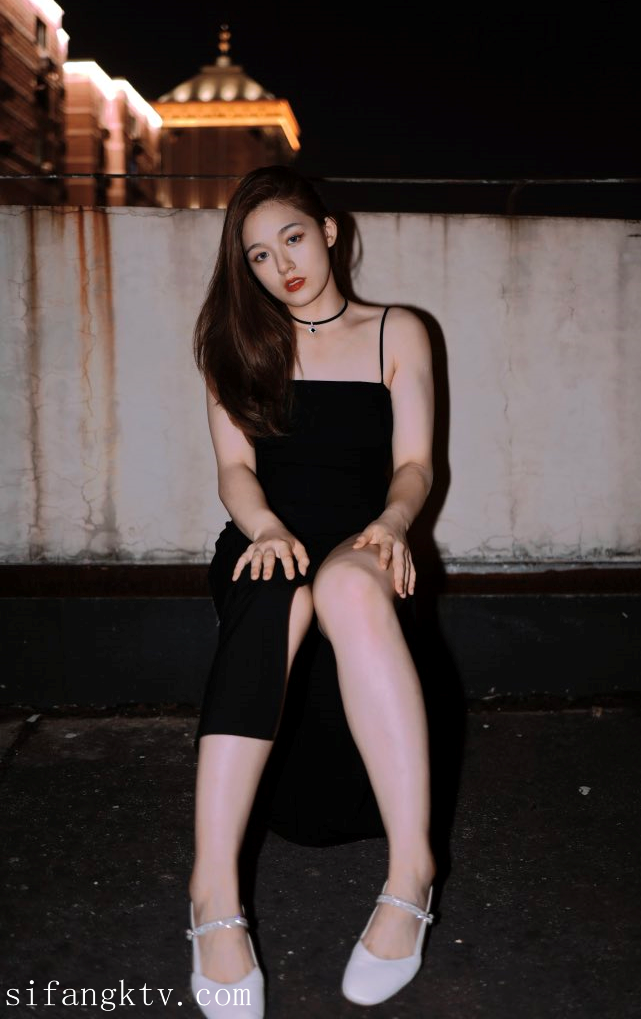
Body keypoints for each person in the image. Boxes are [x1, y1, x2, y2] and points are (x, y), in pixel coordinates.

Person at [185, 165, 436, 1018]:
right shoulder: (233, 345)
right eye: (258, 254)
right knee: (275, 593)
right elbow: (233, 469)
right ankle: (212, 894)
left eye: (292, 238)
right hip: (268, 534)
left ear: (328, 231)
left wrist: (394, 522)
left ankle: (411, 874)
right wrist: (263, 529)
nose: (281, 265)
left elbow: (414, 462)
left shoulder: (397, 330)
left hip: (364, 536)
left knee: (348, 590)